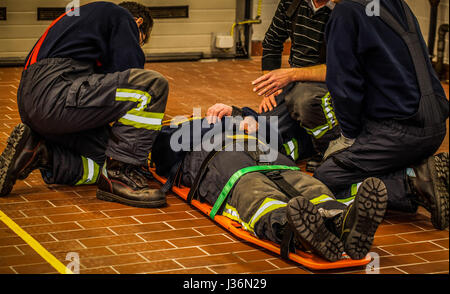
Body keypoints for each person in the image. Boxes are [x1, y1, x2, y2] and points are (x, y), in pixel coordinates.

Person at [151, 106, 388, 262]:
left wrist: (247, 118)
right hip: (217, 157)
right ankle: (288, 227)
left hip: (265, 152)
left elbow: (276, 135)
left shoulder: (245, 119)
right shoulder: (178, 127)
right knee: (250, 187)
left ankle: (340, 220)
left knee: (303, 182)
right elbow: (165, 152)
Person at [0, 2, 169, 208]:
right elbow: (132, 75)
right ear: (138, 23)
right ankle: (120, 178)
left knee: (110, 156)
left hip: (37, 102)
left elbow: (107, 91)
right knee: (150, 87)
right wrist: (145, 135)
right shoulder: (122, 17)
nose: (135, 44)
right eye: (140, 41)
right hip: (56, 92)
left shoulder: (87, 23)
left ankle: (41, 154)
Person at [314, 0, 449, 230]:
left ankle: (411, 184)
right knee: (366, 161)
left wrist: (349, 136)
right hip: (434, 126)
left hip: (398, 133)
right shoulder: (395, 3)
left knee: (327, 178)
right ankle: (415, 171)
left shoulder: (346, 13)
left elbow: (344, 86)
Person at [251, 0, 341, 171]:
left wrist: (290, 74)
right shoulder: (290, 2)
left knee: (303, 100)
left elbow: (341, 70)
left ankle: (332, 150)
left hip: (332, 84)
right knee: (264, 135)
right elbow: (272, 42)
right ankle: (306, 143)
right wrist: (271, 88)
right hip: (295, 81)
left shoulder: (346, 10)